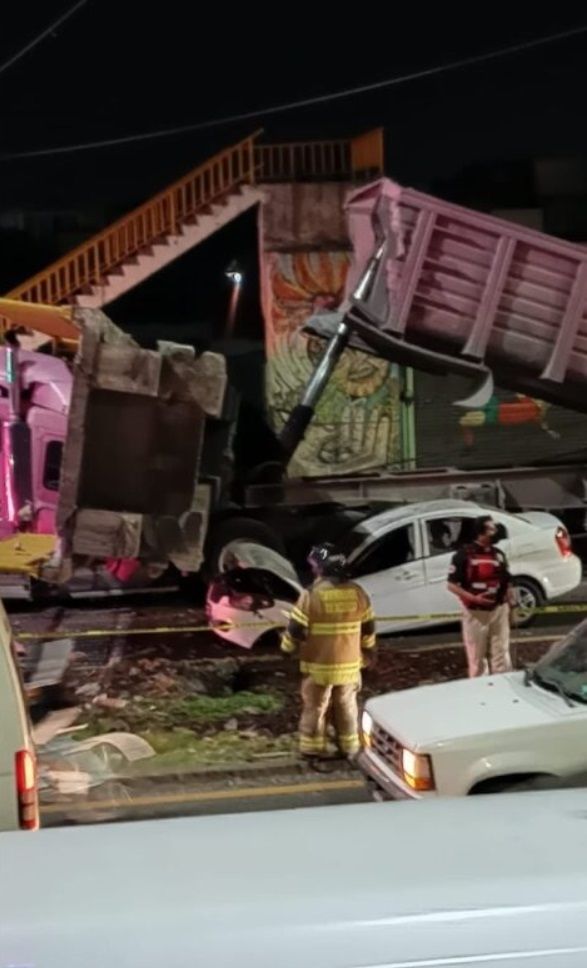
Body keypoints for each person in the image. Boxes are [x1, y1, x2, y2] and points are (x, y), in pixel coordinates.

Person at [281, 542, 376, 762]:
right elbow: (368, 629)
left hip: (318, 666)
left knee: (316, 706)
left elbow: (295, 629)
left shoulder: (312, 594)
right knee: (346, 705)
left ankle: (312, 748)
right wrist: (369, 653)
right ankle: (350, 747)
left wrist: (286, 649)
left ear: (322, 568)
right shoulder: (358, 593)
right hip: (351, 665)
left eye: (315, 566)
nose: (313, 570)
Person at [447, 515, 516, 677]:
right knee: (477, 657)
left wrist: (511, 602)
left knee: (502, 654)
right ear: (481, 533)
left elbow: (507, 579)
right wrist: (473, 598)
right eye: (491, 529)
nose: (495, 532)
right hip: (475, 612)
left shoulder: (498, 554)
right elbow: (451, 585)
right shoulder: (463, 555)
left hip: (499, 610)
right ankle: (481, 691)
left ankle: (503, 689)